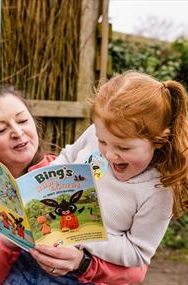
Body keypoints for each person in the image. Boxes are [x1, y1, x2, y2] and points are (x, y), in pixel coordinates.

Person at [0, 85, 149, 285]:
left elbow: (137, 271)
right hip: (20, 277)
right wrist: (8, 239)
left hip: (78, 276)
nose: (18, 133)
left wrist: (82, 263)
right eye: (1, 130)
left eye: (22, 121)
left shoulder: (72, 173)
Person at [51, 71, 188, 269]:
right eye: (102, 141)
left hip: (86, 273)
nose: (109, 155)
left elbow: (138, 252)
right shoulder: (100, 133)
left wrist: (82, 235)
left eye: (123, 148)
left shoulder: (159, 190)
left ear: (159, 140)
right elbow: (68, 156)